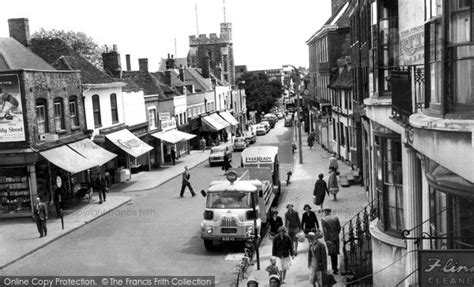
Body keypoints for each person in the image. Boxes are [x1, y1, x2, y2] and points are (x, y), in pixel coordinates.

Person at [321, 208, 341, 275]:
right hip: (336, 237)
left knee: (332, 253)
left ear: (326, 212)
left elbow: (325, 230)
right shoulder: (335, 217)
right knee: (335, 253)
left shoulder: (323, 219)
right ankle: (335, 267)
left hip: (329, 238)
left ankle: (334, 268)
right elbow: (339, 228)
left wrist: (326, 239)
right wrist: (336, 234)